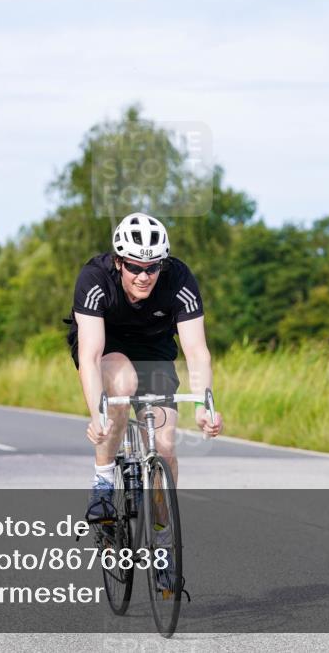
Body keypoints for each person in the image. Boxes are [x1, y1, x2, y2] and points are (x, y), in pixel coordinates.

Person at [67, 212, 224, 526]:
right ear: (118, 262)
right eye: (135, 267)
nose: (144, 276)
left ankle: (163, 539)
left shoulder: (179, 279)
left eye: (152, 267)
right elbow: (90, 354)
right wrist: (98, 416)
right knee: (122, 384)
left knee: (165, 447)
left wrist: (204, 405)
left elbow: (196, 351)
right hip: (107, 343)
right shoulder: (95, 278)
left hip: (155, 349)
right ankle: (103, 481)